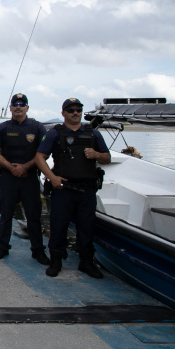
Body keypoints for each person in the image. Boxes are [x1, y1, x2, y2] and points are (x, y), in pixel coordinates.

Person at [34, 97, 111, 279]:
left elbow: (106, 158)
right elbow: (39, 157)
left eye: (78, 110)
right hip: (63, 190)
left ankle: (86, 262)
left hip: (87, 190)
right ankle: (56, 261)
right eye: (71, 110)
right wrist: (52, 178)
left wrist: (96, 154)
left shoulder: (93, 134)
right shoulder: (55, 134)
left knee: (86, 227)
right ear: (63, 113)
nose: (75, 113)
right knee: (58, 226)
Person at [0, 93, 50, 265]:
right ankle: (2, 246)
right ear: (10, 108)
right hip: (8, 178)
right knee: (5, 214)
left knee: (33, 215)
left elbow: (43, 153)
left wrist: (25, 167)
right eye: (15, 104)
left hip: (30, 178)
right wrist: (12, 168)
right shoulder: (3, 128)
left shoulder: (38, 128)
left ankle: (38, 250)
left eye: (21, 104)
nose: (18, 107)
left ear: (27, 108)